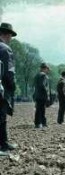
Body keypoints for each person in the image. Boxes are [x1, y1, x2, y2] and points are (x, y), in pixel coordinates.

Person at [0, 22, 17, 156]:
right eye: (11, 36)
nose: (11, 39)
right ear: (6, 34)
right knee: (1, 117)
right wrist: (12, 87)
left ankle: (4, 144)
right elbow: (9, 73)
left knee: (2, 117)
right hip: (2, 89)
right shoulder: (5, 49)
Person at [33, 63, 50, 128]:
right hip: (42, 95)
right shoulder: (43, 75)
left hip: (37, 95)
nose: (47, 71)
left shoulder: (37, 75)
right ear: (45, 68)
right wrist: (47, 95)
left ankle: (39, 123)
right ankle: (41, 123)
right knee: (41, 110)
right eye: (47, 69)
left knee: (38, 109)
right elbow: (43, 86)